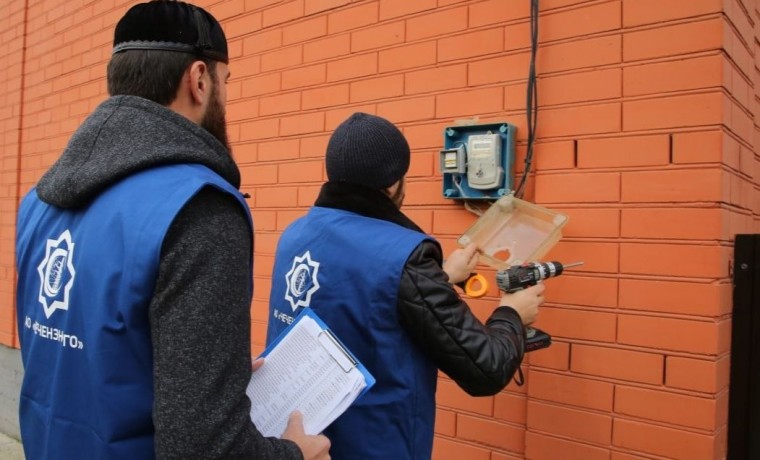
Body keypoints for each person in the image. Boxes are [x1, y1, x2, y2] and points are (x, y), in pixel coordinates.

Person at [14, 1, 329, 459]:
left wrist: (205, 374)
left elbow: (93, 360)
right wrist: (295, 453)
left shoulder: (38, 202)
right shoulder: (198, 208)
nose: (225, 95)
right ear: (199, 79)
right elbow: (203, 449)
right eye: (226, 81)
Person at [266, 112, 546, 459]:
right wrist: (512, 313)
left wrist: (441, 277)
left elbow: (355, 298)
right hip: (376, 446)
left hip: (297, 442)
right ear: (394, 183)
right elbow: (485, 369)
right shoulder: (405, 256)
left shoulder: (295, 234)